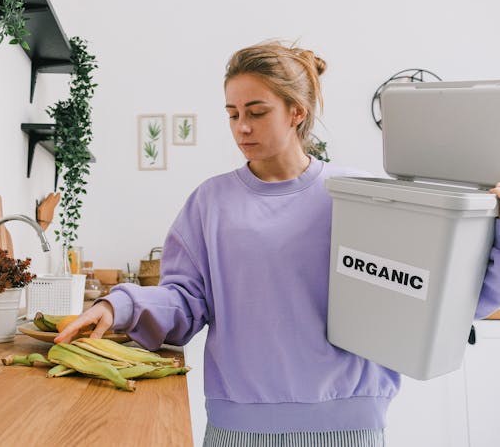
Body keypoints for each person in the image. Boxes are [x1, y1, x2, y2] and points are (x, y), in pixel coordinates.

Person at [55, 41, 500, 446]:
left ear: (296, 112)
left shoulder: (358, 194)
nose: (241, 128)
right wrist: (119, 306)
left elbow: (439, 296)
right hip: (238, 428)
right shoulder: (210, 202)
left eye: (256, 111)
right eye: (232, 114)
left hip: (348, 426)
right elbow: (185, 301)